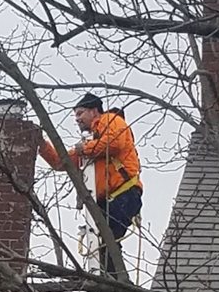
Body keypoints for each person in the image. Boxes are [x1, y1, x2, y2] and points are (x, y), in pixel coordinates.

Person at [39, 93, 142, 274]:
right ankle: (113, 281)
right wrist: (41, 144)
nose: (77, 119)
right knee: (103, 243)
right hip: (107, 200)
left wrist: (84, 150)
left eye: (80, 113)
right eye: (75, 116)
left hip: (123, 193)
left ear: (94, 111)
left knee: (107, 240)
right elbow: (60, 162)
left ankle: (116, 282)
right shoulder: (91, 143)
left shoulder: (111, 120)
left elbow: (113, 143)